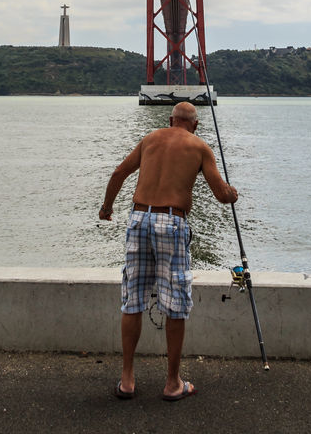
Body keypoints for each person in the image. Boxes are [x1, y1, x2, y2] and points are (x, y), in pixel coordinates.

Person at [98, 100, 238, 401]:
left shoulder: (150, 139)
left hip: (138, 218)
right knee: (175, 303)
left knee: (132, 298)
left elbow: (118, 174)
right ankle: (173, 383)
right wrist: (232, 194)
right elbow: (220, 194)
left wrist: (106, 207)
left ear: (169, 119)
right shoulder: (200, 147)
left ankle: (127, 381)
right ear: (195, 125)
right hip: (171, 223)